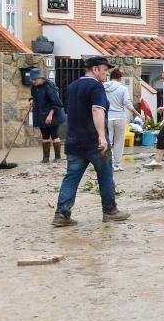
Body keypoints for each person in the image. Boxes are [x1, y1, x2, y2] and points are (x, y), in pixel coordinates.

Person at [53, 56, 130, 227]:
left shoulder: (73, 86)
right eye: (104, 70)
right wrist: (102, 137)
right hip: (94, 142)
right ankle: (110, 211)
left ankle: (61, 214)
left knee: (71, 178)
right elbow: (97, 110)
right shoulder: (96, 86)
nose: (106, 73)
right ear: (95, 69)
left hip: (74, 141)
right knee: (105, 176)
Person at [104, 68, 141, 171]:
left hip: (107, 117)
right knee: (119, 142)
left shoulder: (103, 87)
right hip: (120, 117)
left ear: (110, 77)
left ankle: (109, 164)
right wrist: (138, 114)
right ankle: (117, 164)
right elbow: (128, 104)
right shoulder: (123, 88)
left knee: (108, 142)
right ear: (119, 78)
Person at [28, 67, 66, 163]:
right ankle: (45, 158)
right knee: (45, 136)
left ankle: (57, 158)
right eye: (32, 80)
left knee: (54, 135)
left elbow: (56, 103)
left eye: (35, 79)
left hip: (53, 114)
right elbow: (33, 96)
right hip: (41, 114)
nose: (33, 81)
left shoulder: (49, 87)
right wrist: (31, 100)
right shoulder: (35, 86)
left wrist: (50, 115)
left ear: (41, 78)